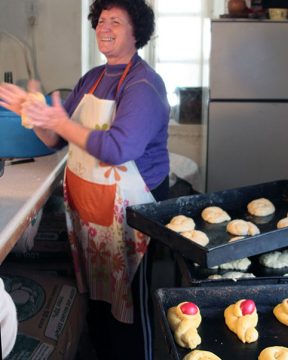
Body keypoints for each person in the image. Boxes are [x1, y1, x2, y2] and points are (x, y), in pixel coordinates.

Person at [0, 0, 170, 359]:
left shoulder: (144, 86)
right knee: (96, 299)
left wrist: (58, 120)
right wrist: (34, 115)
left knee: (129, 310)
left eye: (116, 22)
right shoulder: (92, 78)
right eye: (101, 20)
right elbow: (54, 140)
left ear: (136, 31)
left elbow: (117, 148)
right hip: (91, 214)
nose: (104, 28)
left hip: (133, 216)